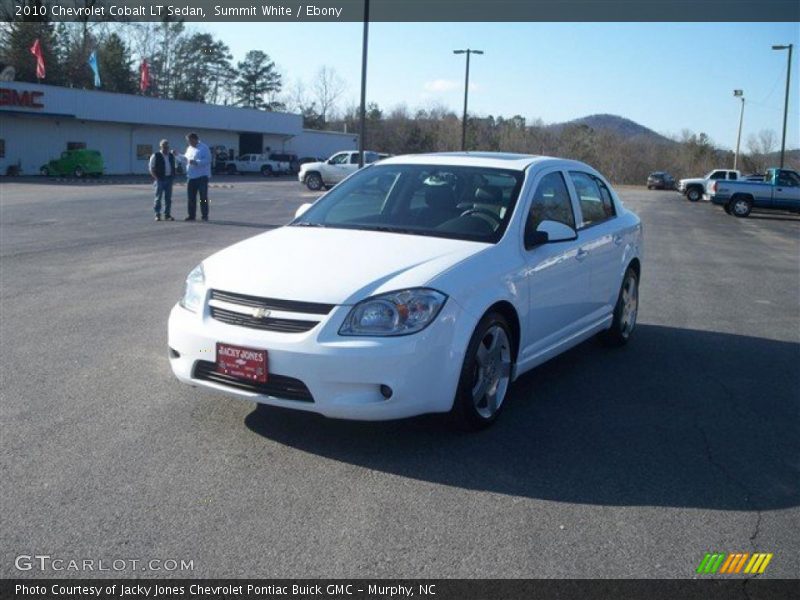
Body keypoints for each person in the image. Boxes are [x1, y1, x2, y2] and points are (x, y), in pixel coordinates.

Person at [181, 132, 212, 221]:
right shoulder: (189, 148)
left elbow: (208, 159)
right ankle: (191, 215)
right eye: (188, 141)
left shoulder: (204, 147)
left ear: (195, 139)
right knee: (191, 197)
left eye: (189, 140)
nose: (189, 142)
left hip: (202, 176)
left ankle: (205, 215)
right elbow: (185, 159)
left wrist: (197, 162)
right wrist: (177, 156)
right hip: (191, 176)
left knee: (203, 197)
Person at [148, 139, 176, 221]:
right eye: (164, 146)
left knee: (168, 198)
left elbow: (174, 166)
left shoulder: (171, 156)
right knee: (158, 198)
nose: (166, 148)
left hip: (169, 179)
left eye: (167, 146)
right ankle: (157, 214)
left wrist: (173, 176)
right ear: (160, 147)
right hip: (159, 179)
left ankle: (167, 214)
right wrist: (156, 178)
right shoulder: (155, 155)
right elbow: (151, 168)